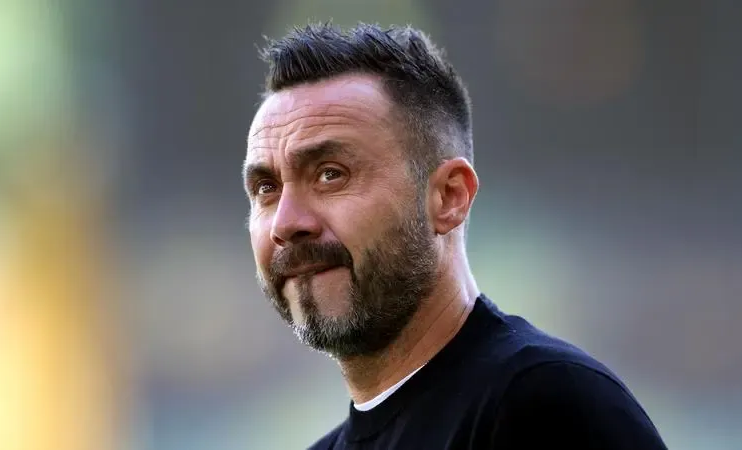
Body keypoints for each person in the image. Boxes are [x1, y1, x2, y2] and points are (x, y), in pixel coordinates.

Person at [243, 23, 668, 449]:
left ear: (448, 197)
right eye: (266, 188)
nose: (285, 223)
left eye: (330, 174)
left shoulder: (545, 405)